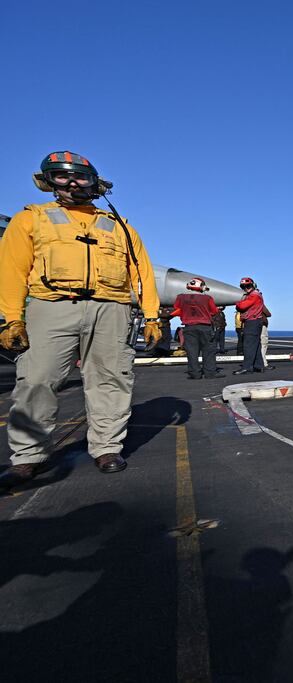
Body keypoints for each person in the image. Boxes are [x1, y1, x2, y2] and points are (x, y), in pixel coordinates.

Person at [0, 151, 161, 486]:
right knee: (37, 379)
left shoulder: (118, 225)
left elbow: (142, 271)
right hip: (52, 306)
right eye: (61, 176)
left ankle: (107, 447)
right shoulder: (32, 219)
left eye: (80, 177)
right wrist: (12, 318)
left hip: (112, 309)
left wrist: (151, 316)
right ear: (48, 182)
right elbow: (12, 270)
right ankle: (28, 455)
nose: (72, 182)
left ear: (94, 182)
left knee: (112, 379)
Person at [171, 278, 222, 379]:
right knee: (208, 351)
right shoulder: (207, 298)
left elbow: (177, 308)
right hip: (205, 327)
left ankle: (195, 374)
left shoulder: (180, 297)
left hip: (189, 327)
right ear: (200, 286)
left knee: (192, 352)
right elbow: (214, 311)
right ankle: (210, 373)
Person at [233, 277, 266, 375]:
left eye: (247, 286)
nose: (245, 288)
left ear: (252, 285)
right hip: (256, 322)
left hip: (252, 322)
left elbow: (241, 306)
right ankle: (258, 366)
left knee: (248, 345)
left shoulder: (253, 295)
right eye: (243, 286)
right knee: (255, 345)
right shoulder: (256, 295)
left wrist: (238, 304)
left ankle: (247, 367)